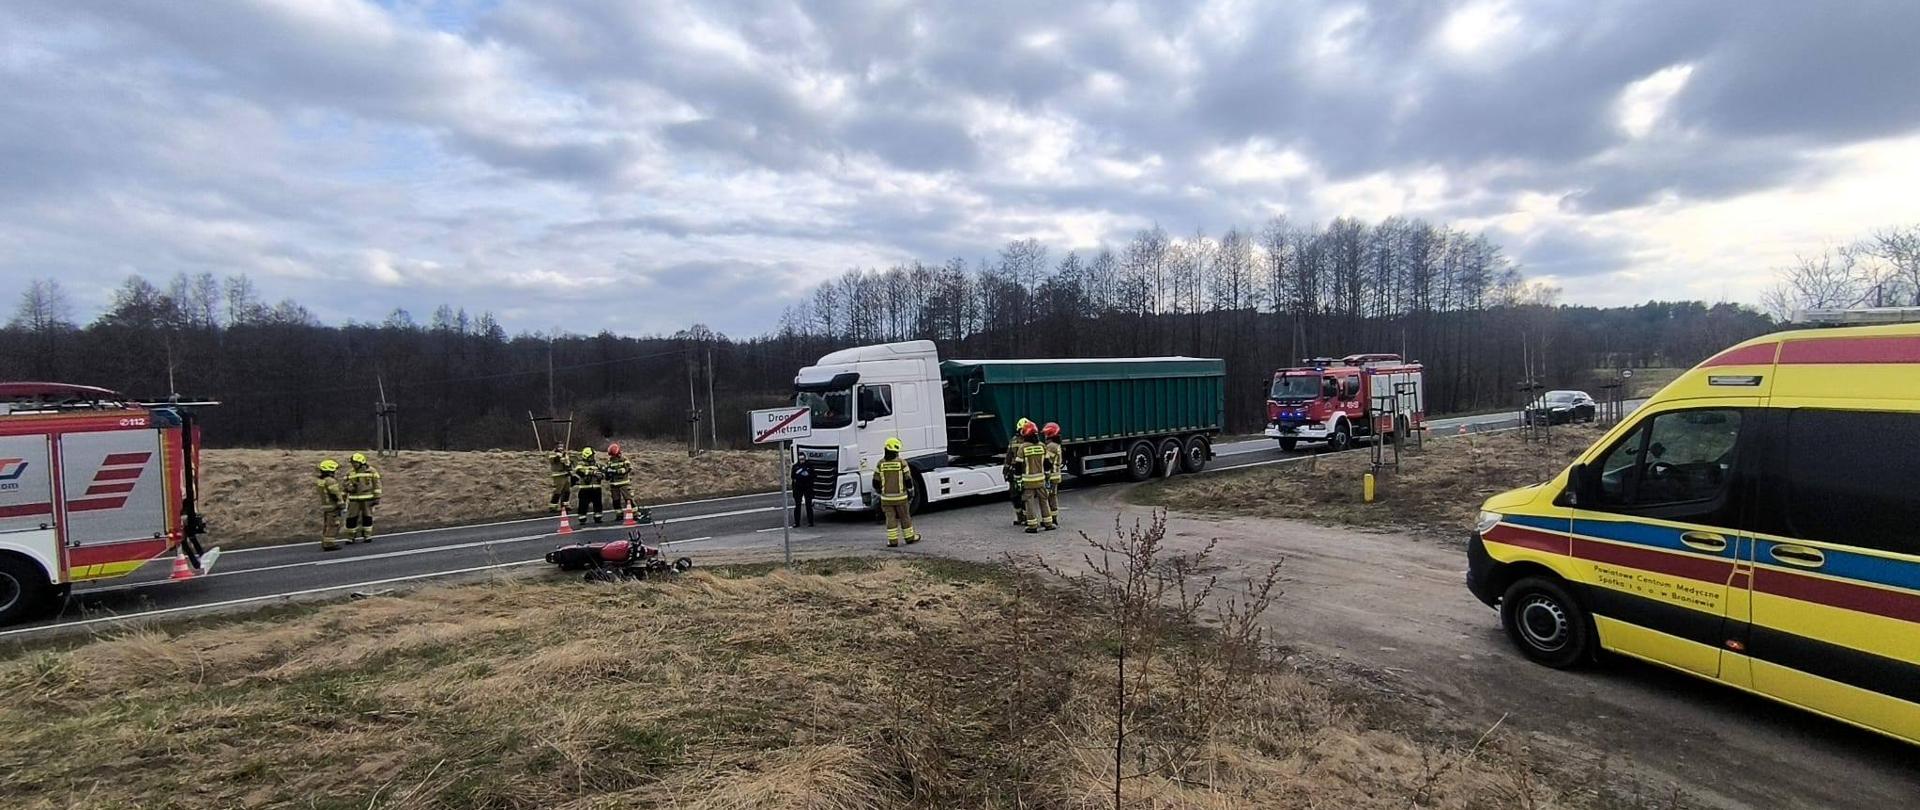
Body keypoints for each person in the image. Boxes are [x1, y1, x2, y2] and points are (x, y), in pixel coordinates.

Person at [871, 438, 918, 547]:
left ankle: (893, 541)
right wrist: (911, 491)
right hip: (901, 497)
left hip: (886, 499)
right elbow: (908, 479)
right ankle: (909, 538)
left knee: (890, 519)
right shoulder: (902, 463)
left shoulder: (880, 464)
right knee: (905, 517)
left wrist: (880, 492)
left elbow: (875, 482)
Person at [1013, 421, 1055, 533]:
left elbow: (1018, 466)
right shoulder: (1042, 446)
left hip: (1028, 481)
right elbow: (1047, 464)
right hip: (1041, 479)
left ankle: (1032, 526)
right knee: (1044, 500)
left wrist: (1018, 480)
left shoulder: (1023, 447)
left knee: (1029, 502)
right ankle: (1048, 523)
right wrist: (1047, 477)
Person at [343, 452, 382, 543]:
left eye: (355, 463)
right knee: (351, 518)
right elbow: (344, 485)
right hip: (354, 500)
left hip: (367, 499)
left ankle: (367, 536)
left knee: (367, 517)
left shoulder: (371, 471)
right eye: (352, 463)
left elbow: (377, 485)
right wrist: (349, 488)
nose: (353, 465)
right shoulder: (350, 472)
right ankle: (350, 537)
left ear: (361, 462)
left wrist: (377, 497)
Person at [1006, 417, 1033, 526]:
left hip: (1026, 472)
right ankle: (1020, 516)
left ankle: (1027, 517)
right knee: (1014, 495)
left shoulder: (1031, 442)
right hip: (1015, 471)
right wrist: (1006, 470)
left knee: (1025, 495)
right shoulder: (1013, 441)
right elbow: (1008, 456)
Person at [315, 459, 346, 552]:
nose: (335, 472)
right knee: (333, 525)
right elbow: (335, 494)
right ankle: (329, 544)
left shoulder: (321, 480)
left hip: (326, 506)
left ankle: (325, 541)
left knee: (327, 525)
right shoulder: (330, 481)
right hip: (333, 506)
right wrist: (341, 503)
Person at [572, 447, 605, 523]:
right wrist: (592, 472)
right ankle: (582, 517)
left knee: (598, 503)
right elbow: (579, 471)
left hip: (596, 488)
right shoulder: (581, 464)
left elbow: (603, 471)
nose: (593, 457)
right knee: (583, 504)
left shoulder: (597, 465)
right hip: (585, 488)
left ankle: (598, 517)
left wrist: (601, 475)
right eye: (591, 456)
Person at [1042, 421, 1065, 520]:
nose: (1044, 436)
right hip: (1056, 474)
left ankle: (1050, 519)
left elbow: (1047, 462)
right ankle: (1054, 517)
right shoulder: (1056, 445)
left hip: (1051, 475)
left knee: (1048, 497)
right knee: (1053, 496)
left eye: (1046, 434)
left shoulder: (1051, 446)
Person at [604, 443, 633, 514]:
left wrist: (616, 471)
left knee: (628, 499)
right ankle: (619, 514)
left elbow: (628, 468)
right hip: (614, 485)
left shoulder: (624, 460)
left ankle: (635, 513)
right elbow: (606, 473)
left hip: (624, 484)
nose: (612, 457)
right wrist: (607, 473)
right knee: (616, 501)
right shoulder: (609, 462)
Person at [547, 442, 572, 513]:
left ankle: (565, 505)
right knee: (558, 490)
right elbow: (554, 460)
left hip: (566, 474)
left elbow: (568, 463)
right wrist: (560, 456)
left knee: (567, 490)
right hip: (558, 475)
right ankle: (553, 506)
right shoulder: (553, 453)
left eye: (562, 446)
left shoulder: (565, 454)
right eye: (559, 446)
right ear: (556, 447)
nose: (561, 448)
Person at [790, 457, 815, 527]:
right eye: (800, 459)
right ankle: (797, 522)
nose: (802, 460)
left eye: (803, 459)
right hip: (798, 488)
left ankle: (811, 522)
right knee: (797, 505)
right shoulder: (795, 466)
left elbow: (813, 476)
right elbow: (792, 477)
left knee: (808, 505)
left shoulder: (809, 466)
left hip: (807, 487)